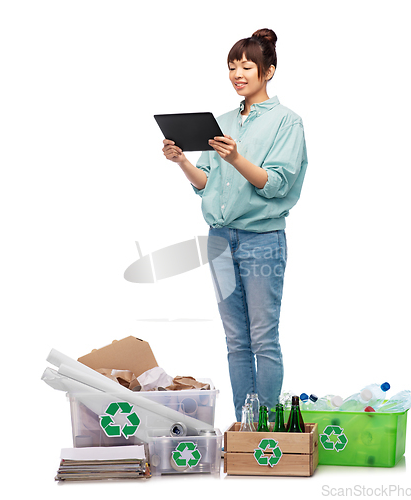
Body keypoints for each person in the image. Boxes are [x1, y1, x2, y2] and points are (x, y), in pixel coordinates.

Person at [162, 28, 308, 422]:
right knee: (235, 340)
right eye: (232, 66)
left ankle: (270, 424)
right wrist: (182, 161)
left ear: (269, 71)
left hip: (262, 239)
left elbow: (275, 184)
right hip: (220, 239)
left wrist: (237, 159)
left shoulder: (287, 123)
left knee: (263, 338)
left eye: (247, 65)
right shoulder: (222, 121)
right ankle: (245, 426)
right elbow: (207, 186)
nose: (237, 73)